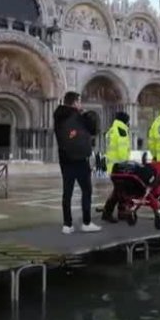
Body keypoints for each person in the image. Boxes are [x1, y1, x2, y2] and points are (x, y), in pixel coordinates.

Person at [54, 91, 101, 234]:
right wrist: (86, 115)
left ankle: (67, 225)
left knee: (67, 193)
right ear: (75, 102)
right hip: (80, 159)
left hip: (65, 159)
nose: (81, 104)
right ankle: (86, 222)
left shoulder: (58, 116)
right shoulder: (79, 117)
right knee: (86, 190)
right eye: (79, 101)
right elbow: (93, 130)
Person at [102, 112, 131, 223]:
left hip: (112, 165)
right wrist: (126, 165)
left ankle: (121, 212)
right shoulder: (121, 130)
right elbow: (122, 151)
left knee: (121, 190)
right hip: (119, 166)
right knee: (119, 191)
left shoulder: (112, 130)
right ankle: (107, 213)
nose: (129, 123)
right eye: (128, 121)